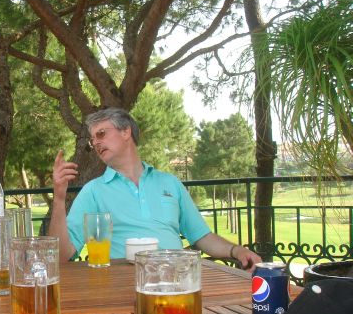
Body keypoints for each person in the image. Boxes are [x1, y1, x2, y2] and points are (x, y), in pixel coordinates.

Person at [49, 107, 262, 271]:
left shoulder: (170, 183)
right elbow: (62, 256)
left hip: (176, 281)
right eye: (93, 139)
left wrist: (237, 250)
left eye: (101, 134)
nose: (95, 143)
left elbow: (202, 237)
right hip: (123, 286)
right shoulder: (93, 191)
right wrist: (58, 198)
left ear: (126, 131)